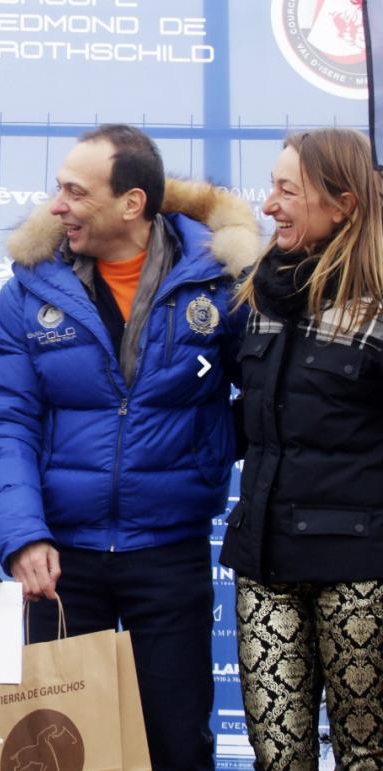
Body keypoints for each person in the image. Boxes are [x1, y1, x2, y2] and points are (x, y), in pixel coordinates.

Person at [0, 124, 261, 769]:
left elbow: (271, 392)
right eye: (59, 189)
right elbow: (5, 422)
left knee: (176, 747)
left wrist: (210, 445)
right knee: (64, 751)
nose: (57, 206)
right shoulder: (30, 290)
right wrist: (23, 536)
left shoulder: (219, 282)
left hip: (169, 553)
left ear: (132, 203)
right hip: (60, 565)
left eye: (76, 192)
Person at [220, 128, 383, 769]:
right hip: (265, 566)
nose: (268, 205)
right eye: (272, 188)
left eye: (288, 190)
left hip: (362, 571)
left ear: (343, 204)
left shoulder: (377, 306)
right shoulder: (257, 293)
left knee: (366, 755)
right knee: (277, 757)